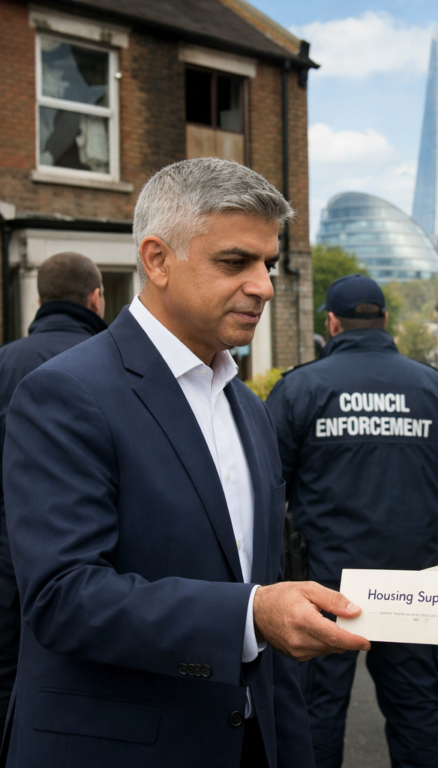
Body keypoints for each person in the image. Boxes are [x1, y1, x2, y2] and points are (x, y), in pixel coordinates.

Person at [2, 158, 369, 768]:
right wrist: (250, 614)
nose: (265, 286)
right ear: (156, 259)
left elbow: (263, 596)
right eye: (236, 262)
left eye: (268, 264)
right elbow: (63, 597)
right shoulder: (64, 392)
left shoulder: (248, 408)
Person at [266, 273, 438, 768]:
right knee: (415, 713)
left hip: (325, 588)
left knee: (316, 714)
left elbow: (263, 485)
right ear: (385, 319)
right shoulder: (435, 388)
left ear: (331, 322)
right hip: (412, 589)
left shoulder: (300, 389)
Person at [0, 252, 107, 728]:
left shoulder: (5, 361)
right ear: (97, 298)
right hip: (91, 561)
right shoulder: (112, 371)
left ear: (40, 300)